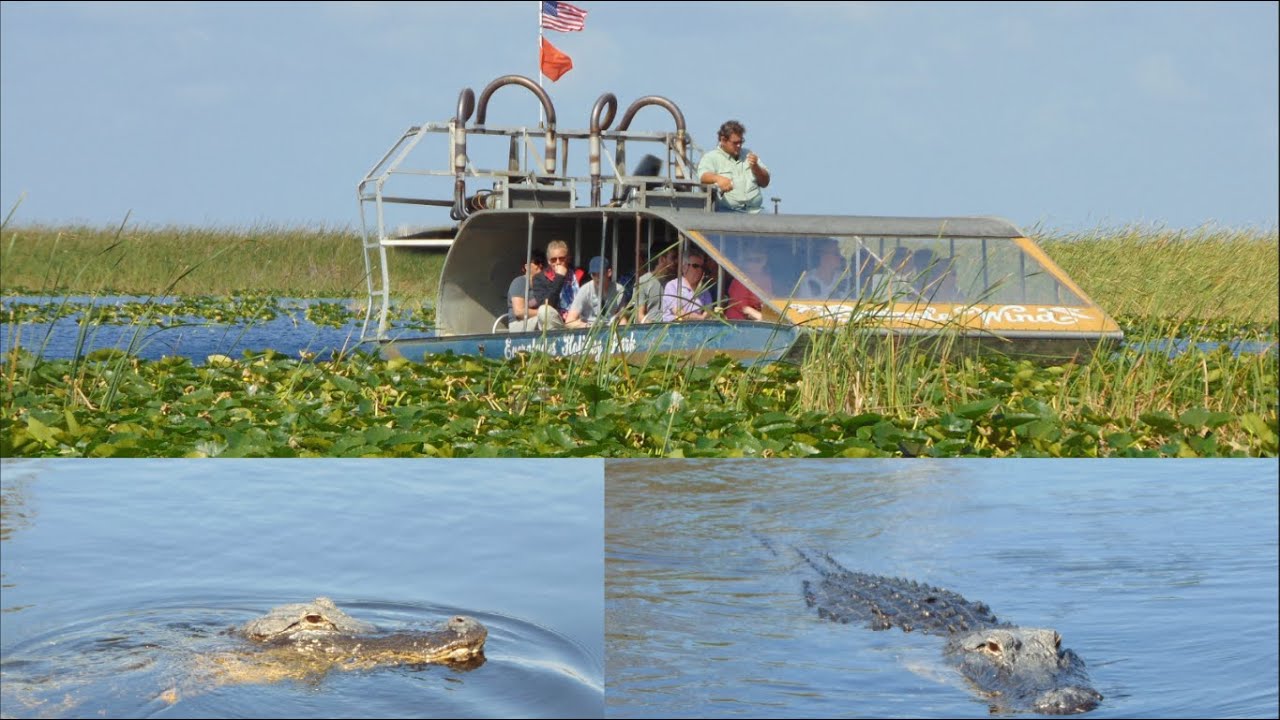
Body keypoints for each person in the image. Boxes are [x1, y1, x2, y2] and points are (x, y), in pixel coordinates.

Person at [697, 120, 770, 213]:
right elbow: (703, 176)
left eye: (741, 142)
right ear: (723, 140)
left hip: (755, 211)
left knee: (778, 224)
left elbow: (765, 182)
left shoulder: (749, 154)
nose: (739, 145)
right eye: (735, 143)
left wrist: (756, 168)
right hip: (727, 211)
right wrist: (718, 179)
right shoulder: (711, 157)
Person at [529, 239, 580, 329]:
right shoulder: (539, 279)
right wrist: (559, 277)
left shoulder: (579, 274)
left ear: (568, 258)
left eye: (561, 258)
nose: (558, 262)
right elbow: (547, 304)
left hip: (578, 320)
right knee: (543, 310)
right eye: (553, 260)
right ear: (548, 261)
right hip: (556, 322)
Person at [565, 256, 627, 328]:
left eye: (600, 274)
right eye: (594, 274)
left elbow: (622, 318)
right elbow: (569, 321)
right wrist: (588, 326)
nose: (597, 278)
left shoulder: (619, 290)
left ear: (609, 273)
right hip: (588, 332)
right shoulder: (585, 290)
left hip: (610, 331)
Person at [662, 250, 715, 321]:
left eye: (702, 267)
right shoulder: (672, 286)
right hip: (674, 329)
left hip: (697, 329)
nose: (699, 270)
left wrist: (703, 317)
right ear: (684, 267)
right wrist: (700, 318)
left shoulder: (704, 290)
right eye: (695, 266)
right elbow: (678, 312)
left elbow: (708, 312)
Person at [631, 243, 678, 323]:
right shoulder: (643, 282)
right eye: (673, 258)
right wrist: (652, 326)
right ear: (662, 259)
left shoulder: (676, 283)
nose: (677, 261)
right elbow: (639, 315)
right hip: (650, 330)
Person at [725, 249, 773, 321]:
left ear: (765, 261)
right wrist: (761, 317)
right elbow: (742, 306)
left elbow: (768, 299)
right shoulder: (740, 279)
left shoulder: (766, 278)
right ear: (744, 262)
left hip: (759, 319)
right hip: (739, 322)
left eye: (758, 260)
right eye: (750, 260)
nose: (754, 263)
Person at [505, 248, 547, 332]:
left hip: (536, 322)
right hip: (519, 323)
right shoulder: (519, 282)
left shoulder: (544, 285)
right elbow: (519, 312)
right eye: (537, 262)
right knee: (547, 320)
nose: (541, 265)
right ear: (526, 266)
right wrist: (544, 313)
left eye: (543, 262)